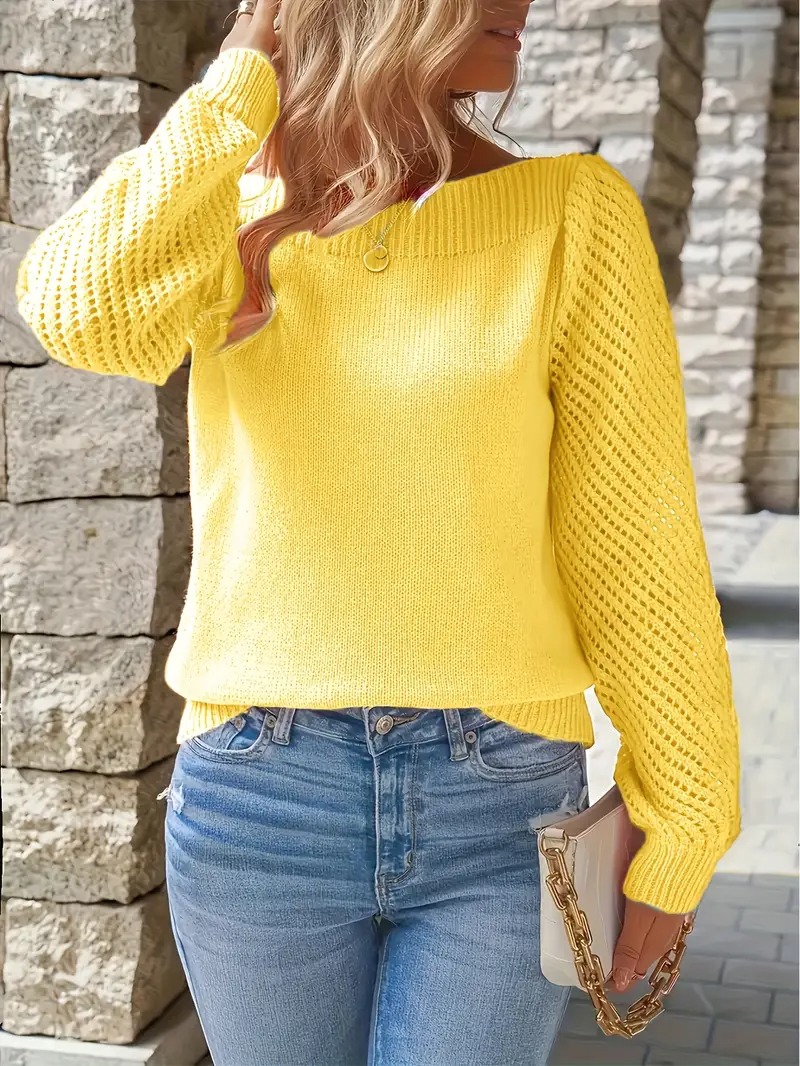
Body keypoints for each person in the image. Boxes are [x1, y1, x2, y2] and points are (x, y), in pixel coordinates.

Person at [15, 1, 741, 1063]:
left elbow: (635, 540)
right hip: (261, 788)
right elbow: (82, 313)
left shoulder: (570, 216)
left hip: (498, 796)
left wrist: (686, 816)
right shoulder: (228, 216)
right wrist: (240, 79)